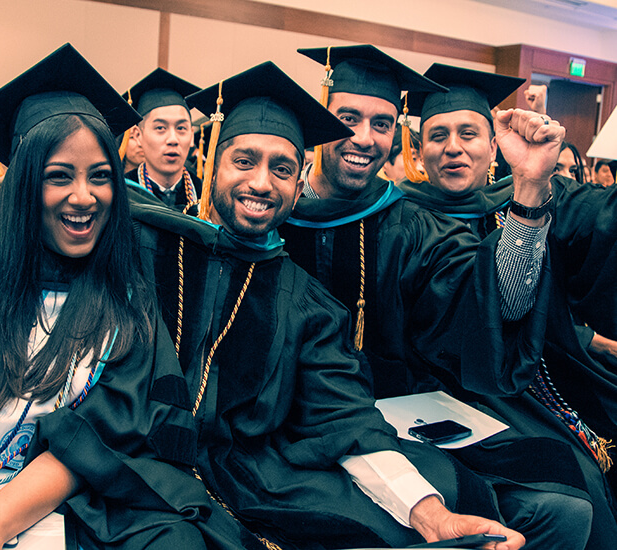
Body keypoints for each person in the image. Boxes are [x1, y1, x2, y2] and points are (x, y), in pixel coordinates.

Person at [131, 60, 527, 550]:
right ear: (211, 164)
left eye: (281, 168)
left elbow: (342, 416)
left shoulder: (305, 301)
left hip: (249, 474)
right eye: (243, 161)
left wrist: (431, 517)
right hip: (127, 465)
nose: (260, 183)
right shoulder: (147, 251)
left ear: (297, 185)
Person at [279, 45, 594, 549]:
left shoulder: (411, 225)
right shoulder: (271, 210)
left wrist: (530, 188)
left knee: (562, 504)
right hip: (284, 422)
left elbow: (496, 306)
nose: (364, 137)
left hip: (394, 416)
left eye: (382, 123)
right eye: (347, 118)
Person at [0, 44, 217, 550]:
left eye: (100, 176)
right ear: (21, 183)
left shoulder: (125, 300)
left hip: (27, 505)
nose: (84, 196)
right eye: (59, 176)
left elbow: (99, 435)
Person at [398, 63, 617, 543]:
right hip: (463, 392)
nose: (453, 146)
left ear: (493, 145)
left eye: (468, 133)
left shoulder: (532, 193)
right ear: (418, 151)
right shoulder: (404, 219)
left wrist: (532, 181)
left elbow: (601, 223)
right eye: (437, 135)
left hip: (549, 377)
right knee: (580, 490)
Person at [122, 68, 202, 208]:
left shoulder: (206, 196)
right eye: (160, 128)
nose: (172, 139)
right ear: (138, 135)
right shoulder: (121, 193)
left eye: (181, 128)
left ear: (191, 136)